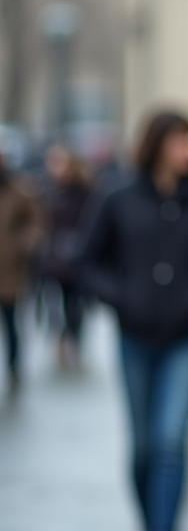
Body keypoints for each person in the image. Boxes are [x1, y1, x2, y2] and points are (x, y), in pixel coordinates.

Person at [76, 111, 188, 531]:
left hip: (187, 338)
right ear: (157, 145)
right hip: (134, 337)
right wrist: (119, 298)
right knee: (144, 448)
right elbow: (87, 259)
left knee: (171, 442)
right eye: (180, 141)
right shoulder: (118, 195)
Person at [38, 144, 93, 367]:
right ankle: (60, 339)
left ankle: (74, 339)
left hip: (76, 258)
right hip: (52, 258)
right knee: (53, 303)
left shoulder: (85, 190)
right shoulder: (46, 190)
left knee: (74, 305)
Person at [0, 150, 43, 392]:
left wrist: (23, 245)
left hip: (10, 270)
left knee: (10, 322)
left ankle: (14, 367)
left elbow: (37, 221)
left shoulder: (19, 190)